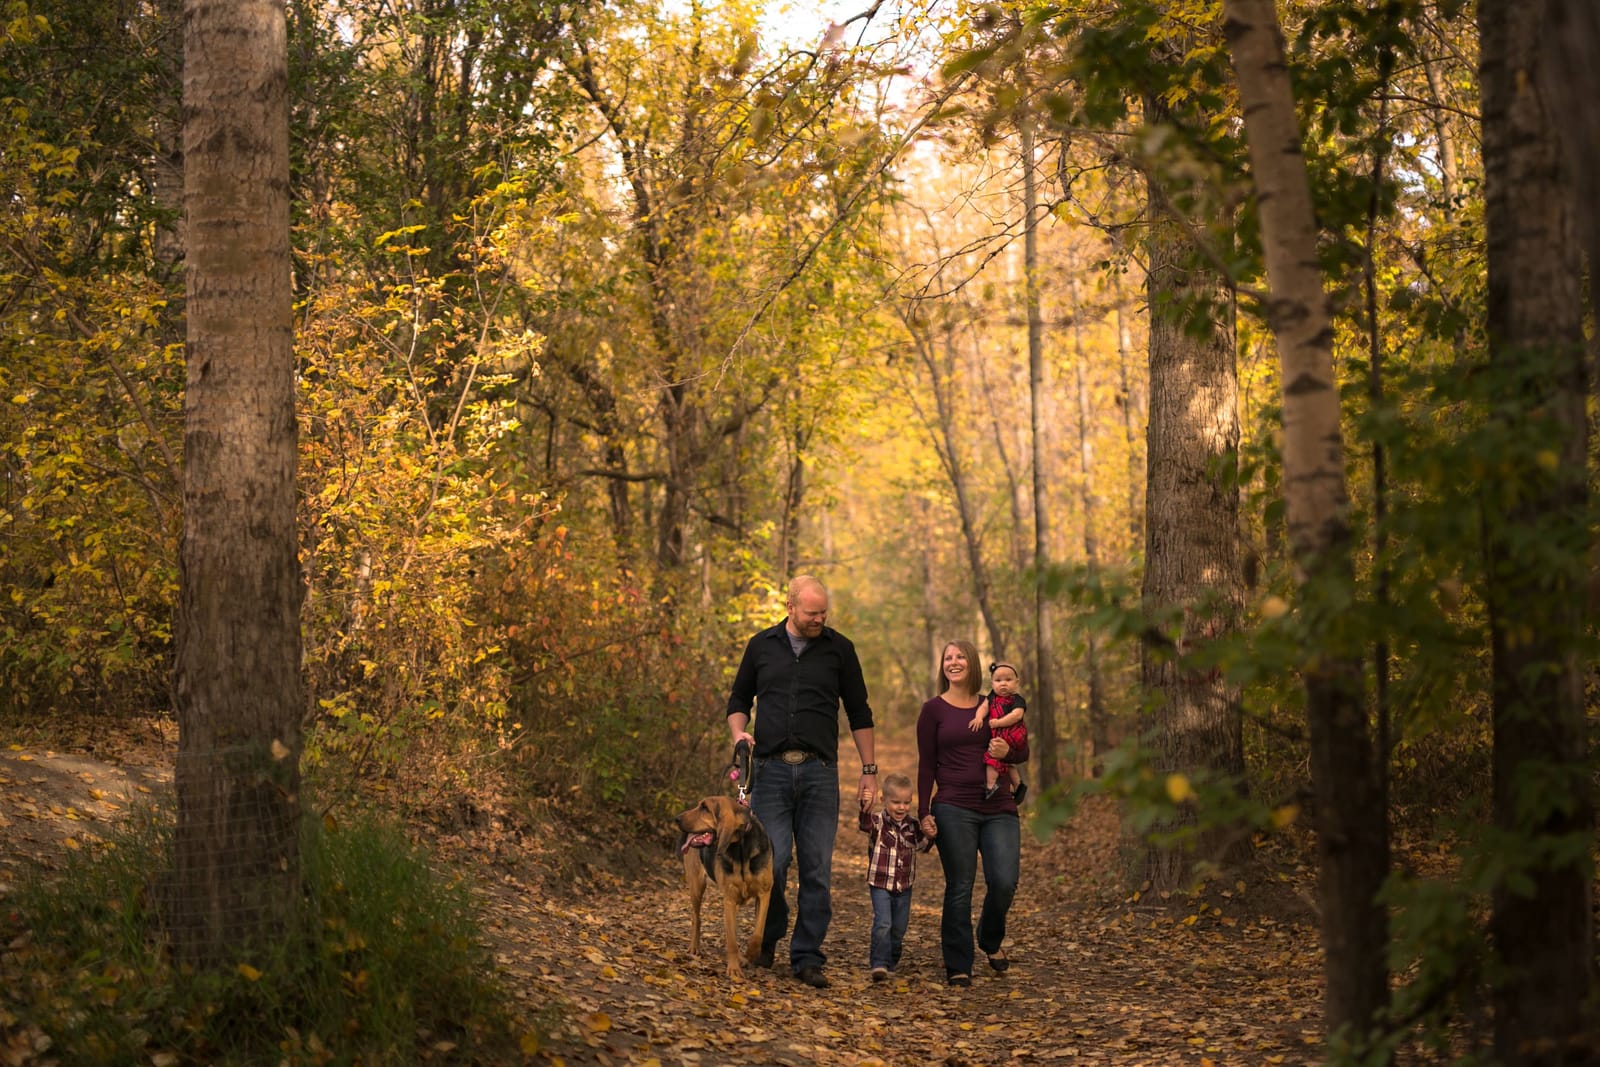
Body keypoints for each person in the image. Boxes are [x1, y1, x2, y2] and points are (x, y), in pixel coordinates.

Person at [727, 575, 877, 990]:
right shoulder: (761, 646)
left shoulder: (840, 649)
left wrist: (869, 772)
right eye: (812, 612)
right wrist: (739, 734)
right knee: (771, 863)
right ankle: (769, 935)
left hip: (819, 773)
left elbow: (859, 711)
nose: (820, 618)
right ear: (791, 607)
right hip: (770, 772)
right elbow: (739, 700)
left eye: (824, 612)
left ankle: (808, 956)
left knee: (817, 869)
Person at [917, 638, 1027, 986]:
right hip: (952, 806)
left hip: (998, 806)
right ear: (942, 666)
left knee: (1005, 882)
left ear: (973, 663)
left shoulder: (995, 703)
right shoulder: (933, 710)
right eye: (948, 657)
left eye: (960, 656)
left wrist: (1008, 750)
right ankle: (958, 964)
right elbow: (926, 766)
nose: (953, 662)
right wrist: (923, 812)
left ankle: (990, 938)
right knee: (960, 886)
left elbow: (1021, 750)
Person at [858, 772, 931, 982]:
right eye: (896, 802)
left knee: (899, 927)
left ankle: (891, 960)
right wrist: (865, 807)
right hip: (880, 882)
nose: (901, 807)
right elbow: (865, 824)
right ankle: (879, 963)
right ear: (884, 800)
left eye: (906, 802)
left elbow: (923, 846)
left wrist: (931, 835)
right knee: (883, 923)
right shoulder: (878, 822)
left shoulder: (912, 826)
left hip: (904, 886)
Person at [968, 661, 1028, 803]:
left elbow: (1017, 715)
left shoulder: (1016, 699)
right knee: (1005, 762)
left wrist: (999, 723)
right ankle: (1018, 785)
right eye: (998, 680)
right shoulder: (992, 697)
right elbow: (984, 707)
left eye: (1008, 680)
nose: (1003, 684)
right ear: (992, 683)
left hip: (1013, 734)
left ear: (1017, 682)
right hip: (1003, 736)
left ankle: (991, 786)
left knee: (991, 757)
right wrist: (978, 717)